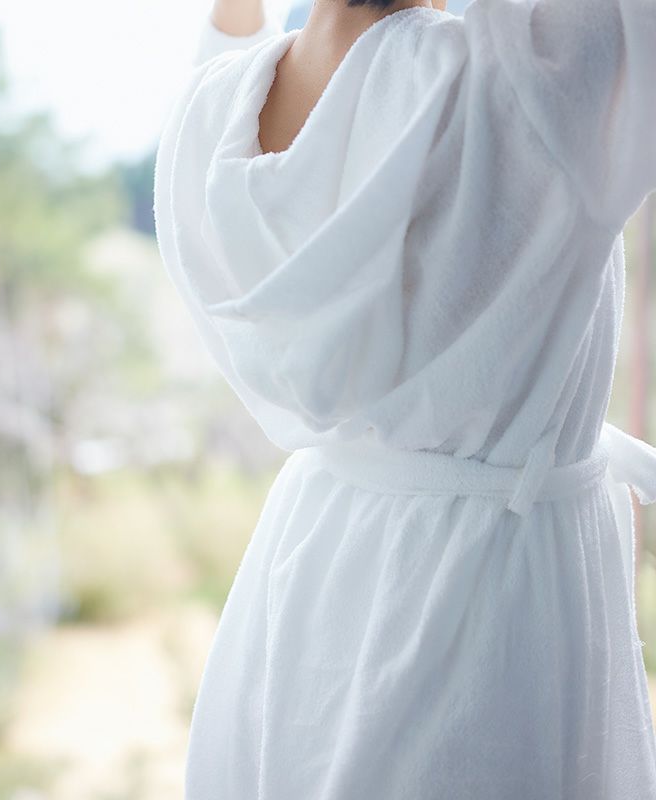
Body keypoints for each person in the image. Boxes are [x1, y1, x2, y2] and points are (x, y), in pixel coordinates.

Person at [153, 0, 656, 797]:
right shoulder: (524, 87)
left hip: (303, 583)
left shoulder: (210, 113)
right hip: (485, 609)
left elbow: (238, 64)